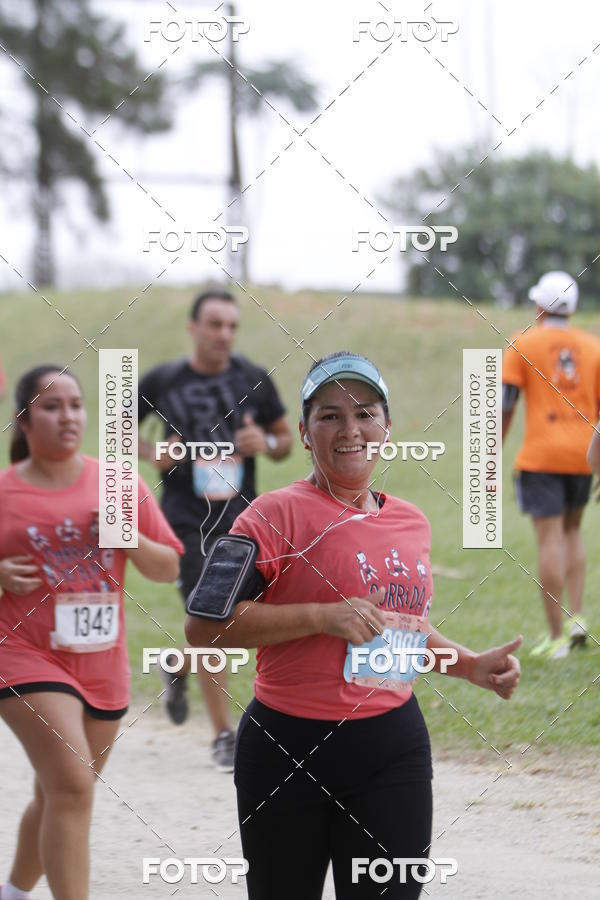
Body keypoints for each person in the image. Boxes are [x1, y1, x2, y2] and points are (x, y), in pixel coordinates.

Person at [185, 351, 522, 900]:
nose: (350, 429)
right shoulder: (271, 515)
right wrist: (323, 617)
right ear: (303, 431)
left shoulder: (410, 520)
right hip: (287, 750)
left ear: (388, 428)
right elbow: (203, 627)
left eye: (365, 413)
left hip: (393, 748)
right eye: (330, 415)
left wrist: (469, 665)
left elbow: (399, 626)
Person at [0, 365, 183, 900]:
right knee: (74, 786)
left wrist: (126, 538)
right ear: (23, 419)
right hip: (23, 653)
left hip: (101, 662)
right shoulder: (4, 492)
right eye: (51, 406)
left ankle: (13, 891)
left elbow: (168, 567)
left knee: (60, 791)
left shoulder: (118, 483)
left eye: (76, 405)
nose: (68, 416)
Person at [138, 287, 292, 770]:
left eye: (231, 326)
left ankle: (177, 664)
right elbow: (117, 429)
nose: (224, 334)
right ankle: (224, 733)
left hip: (244, 519)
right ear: (193, 328)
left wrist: (264, 441)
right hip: (186, 516)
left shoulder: (254, 378)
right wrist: (152, 453)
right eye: (214, 325)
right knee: (211, 616)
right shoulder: (162, 381)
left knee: (232, 620)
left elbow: (288, 439)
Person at [502, 271, 600, 660]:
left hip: (541, 457)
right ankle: (577, 617)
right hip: (585, 455)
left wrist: (490, 456)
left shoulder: (521, 343)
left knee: (550, 540)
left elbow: (505, 405)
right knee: (573, 531)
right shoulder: (594, 347)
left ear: (539, 306)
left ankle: (557, 638)